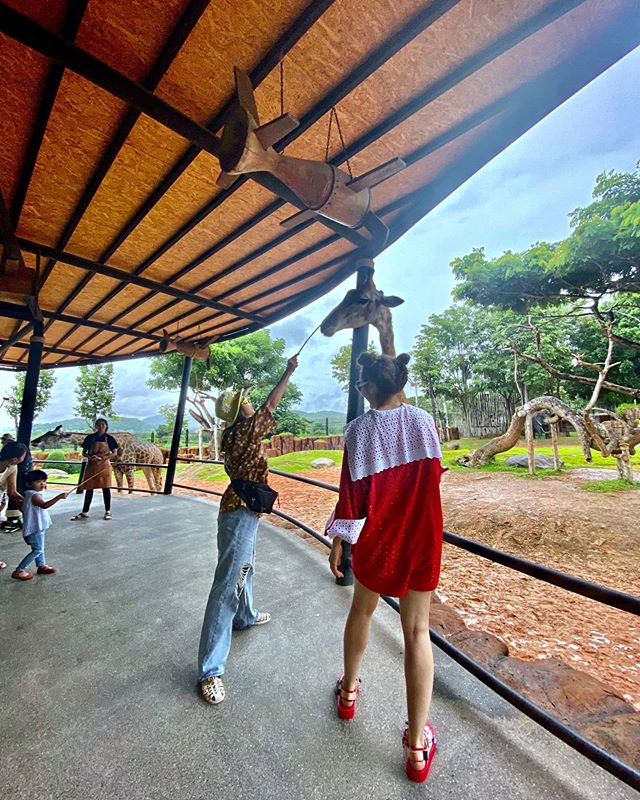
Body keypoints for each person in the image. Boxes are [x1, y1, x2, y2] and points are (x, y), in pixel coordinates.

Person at [326, 351, 444, 784]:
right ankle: (416, 748)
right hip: (422, 539)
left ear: (372, 387)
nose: (360, 391)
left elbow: (351, 498)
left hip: (377, 540)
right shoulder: (425, 422)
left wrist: (339, 539)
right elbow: (434, 478)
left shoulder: (358, 432)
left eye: (361, 385)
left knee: (362, 610)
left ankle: (348, 693)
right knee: (417, 632)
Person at [198, 355, 298, 705]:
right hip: (239, 512)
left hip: (242, 511)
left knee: (245, 567)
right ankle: (210, 670)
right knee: (228, 584)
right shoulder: (244, 431)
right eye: (247, 402)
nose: (252, 404)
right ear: (241, 411)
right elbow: (271, 404)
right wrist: (288, 371)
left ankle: (246, 615)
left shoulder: (236, 434)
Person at [11, 470, 67, 581]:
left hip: (37, 527)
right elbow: (44, 505)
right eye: (38, 482)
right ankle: (19, 570)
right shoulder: (34, 495)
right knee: (37, 550)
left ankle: (41, 565)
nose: (42, 484)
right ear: (28, 484)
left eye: (44, 481)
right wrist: (59, 497)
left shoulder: (28, 495)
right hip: (35, 528)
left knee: (39, 548)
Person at [70, 419, 118, 521]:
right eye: (98, 424)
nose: (101, 426)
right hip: (91, 465)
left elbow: (114, 453)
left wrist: (102, 458)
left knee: (106, 488)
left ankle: (108, 511)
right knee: (89, 488)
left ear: (106, 426)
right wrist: (91, 457)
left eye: (103, 424)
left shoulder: (110, 438)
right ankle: (85, 512)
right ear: (96, 426)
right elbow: (84, 452)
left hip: (104, 466)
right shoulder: (90, 438)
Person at [0, 441, 28, 568]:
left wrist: (27, 502)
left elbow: (12, 492)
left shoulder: (12, 468)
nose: (24, 459)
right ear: (14, 458)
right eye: (23, 456)